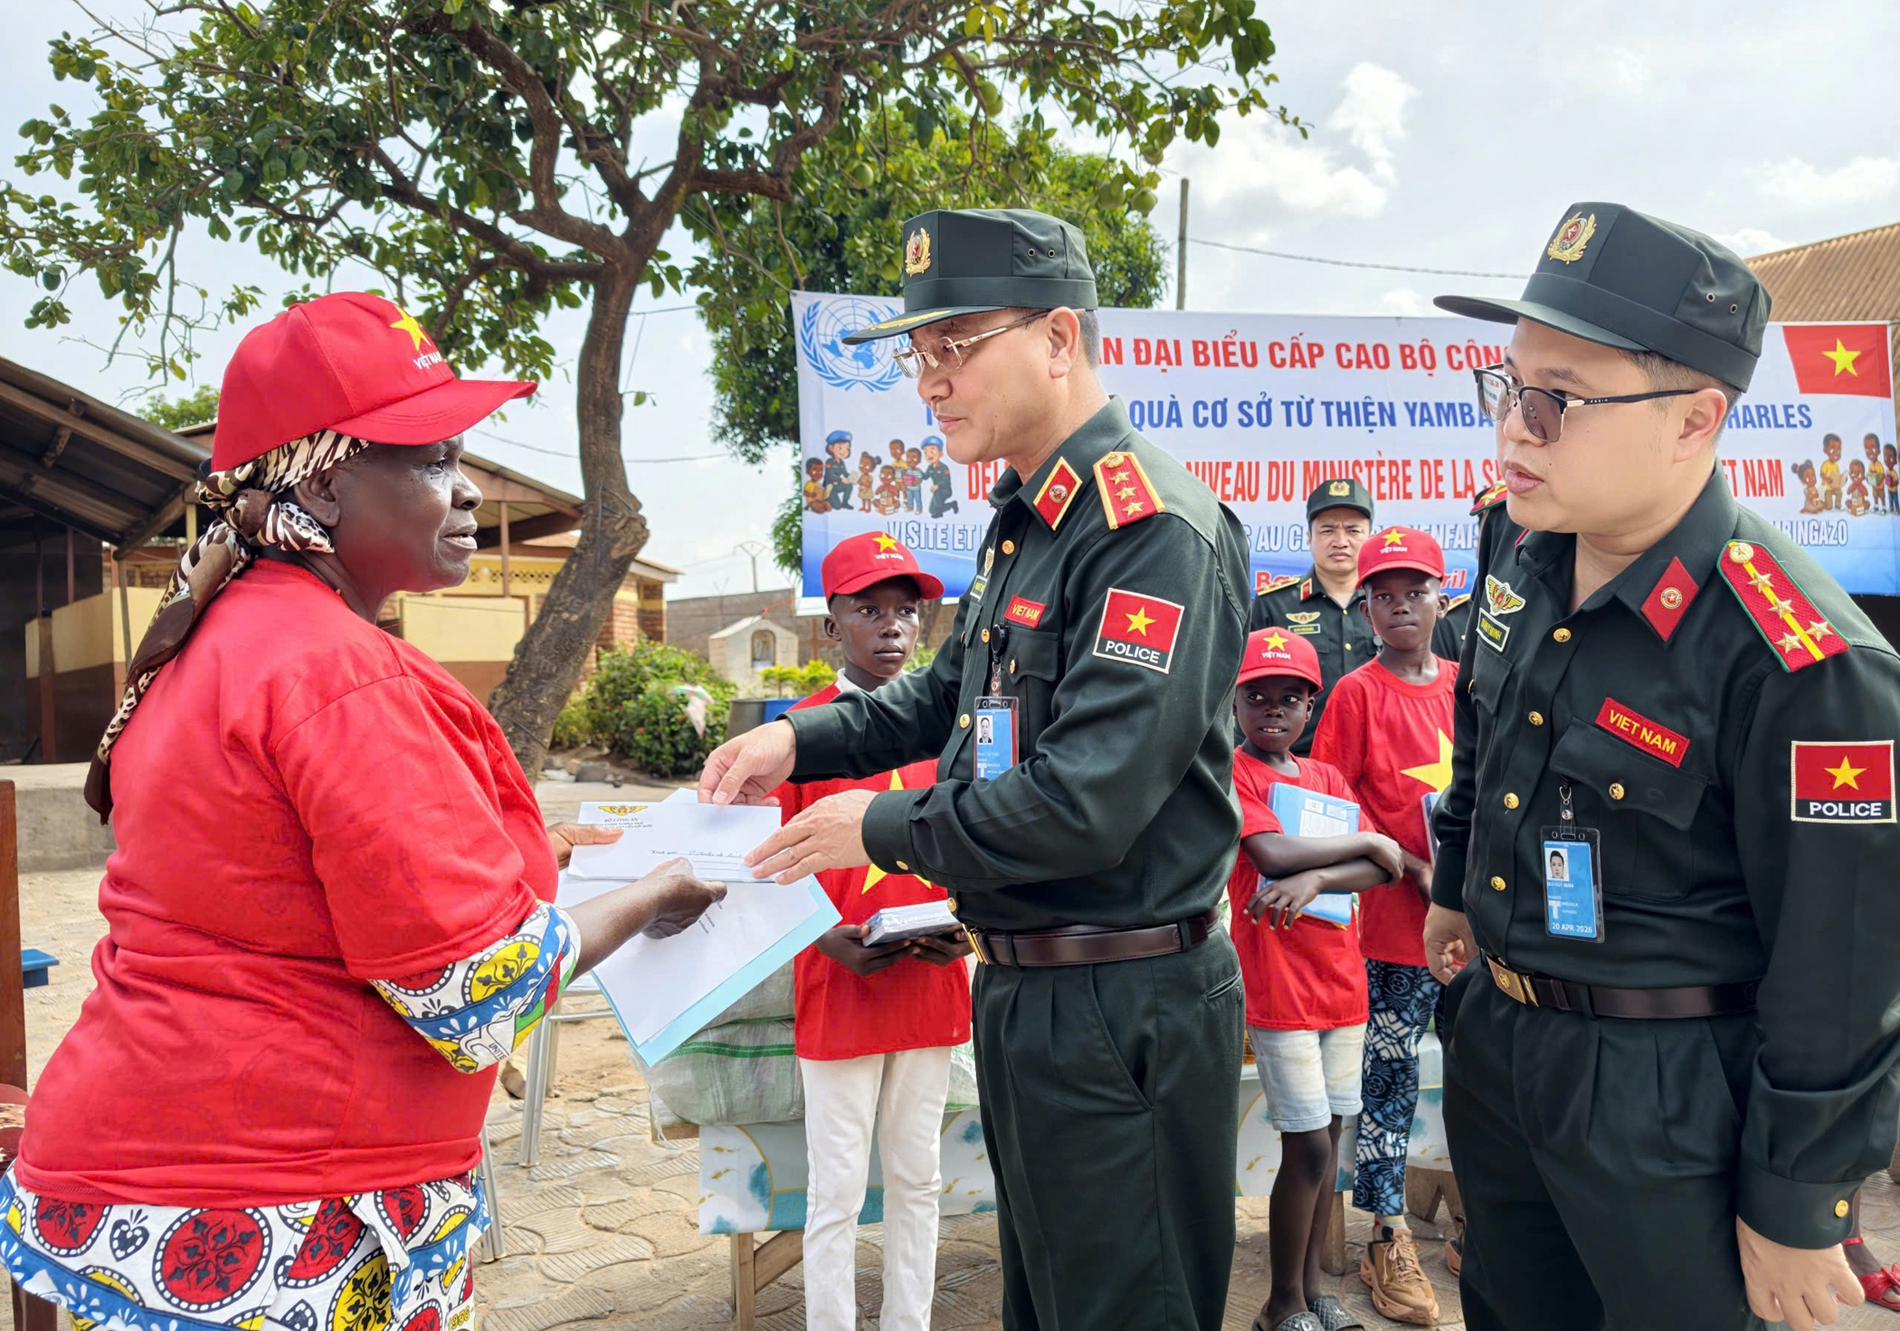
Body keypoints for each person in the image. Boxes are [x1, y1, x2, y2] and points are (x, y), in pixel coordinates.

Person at [0, 292, 726, 1331]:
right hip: (279, 1208)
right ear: (331, 485)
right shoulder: (340, 674)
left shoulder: (214, 642)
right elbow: (469, 991)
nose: (468, 488)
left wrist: (543, 852)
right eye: (433, 458)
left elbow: (273, 880)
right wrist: (651, 892)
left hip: (141, 1172)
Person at [700, 206, 1251, 1330]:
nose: (928, 380)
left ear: (1057, 336)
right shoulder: (1026, 519)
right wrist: (793, 739)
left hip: (1120, 991)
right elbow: (946, 698)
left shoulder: (1149, 531)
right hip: (1027, 983)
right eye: (917, 352)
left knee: (1123, 1307)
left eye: (954, 345)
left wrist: (881, 826)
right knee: (1047, 1303)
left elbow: (1084, 801)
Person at [1424, 201, 1900, 1331]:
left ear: (1694, 419)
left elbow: (1839, 963)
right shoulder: (1521, 543)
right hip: (1499, 1038)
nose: (1513, 432)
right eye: (1506, 387)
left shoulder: (1801, 656)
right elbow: (1484, 723)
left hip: (1666, 1087)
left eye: (1558, 400)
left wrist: (1798, 1197)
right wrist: (1456, 881)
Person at [778, 532, 972, 1331]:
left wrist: (970, 925)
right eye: (870, 611)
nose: (893, 627)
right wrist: (829, 941)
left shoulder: (956, 731)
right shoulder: (798, 735)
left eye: (906, 611)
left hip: (930, 984)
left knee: (919, 1178)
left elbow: (985, 845)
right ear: (833, 626)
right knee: (836, 1190)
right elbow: (765, 875)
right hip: (840, 987)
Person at [1229, 628, 1403, 1331]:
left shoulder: (1325, 777)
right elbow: (1269, 852)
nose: (1273, 709)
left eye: (1290, 698)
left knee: (1328, 1140)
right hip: (1280, 987)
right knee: (1304, 1143)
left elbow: (1381, 869)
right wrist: (1364, 840)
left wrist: (1329, 870)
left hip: (1340, 982)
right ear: (1235, 701)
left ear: (1311, 706)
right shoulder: (1234, 772)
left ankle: (1311, 1293)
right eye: (1257, 696)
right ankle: (1280, 1303)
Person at [1311, 525, 1457, 1327]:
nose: (1400, 606)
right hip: (1393, 938)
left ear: (1443, 595)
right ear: (1365, 608)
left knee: (1485, 1083)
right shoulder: (1356, 694)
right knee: (1389, 1088)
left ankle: (1475, 1220)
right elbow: (1333, 808)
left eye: (1415, 591)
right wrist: (1411, 863)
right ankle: (1387, 1235)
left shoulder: (1466, 687)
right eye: (1383, 595)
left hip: (1473, 936)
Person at [1249, 480, 1375, 755]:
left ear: (1370, 537)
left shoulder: (1387, 603)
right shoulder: (1273, 605)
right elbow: (1244, 690)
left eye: (1353, 531)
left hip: (1379, 761)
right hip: (1298, 763)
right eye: (1327, 530)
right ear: (1309, 538)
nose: (1340, 541)